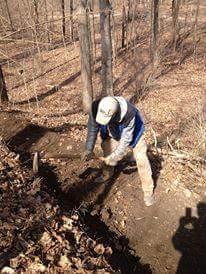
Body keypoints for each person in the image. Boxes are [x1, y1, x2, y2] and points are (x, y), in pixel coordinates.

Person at [82, 96, 155, 206]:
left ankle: (148, 191)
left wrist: (116, 156)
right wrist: (88, 149)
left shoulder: (129, 113)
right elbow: (92, 129)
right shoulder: (96, 108)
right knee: (106, 147)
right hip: (114, 131)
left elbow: (126, 140)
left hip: (134, 133)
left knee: (141, 158)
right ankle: (107, 173)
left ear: (115, 114)